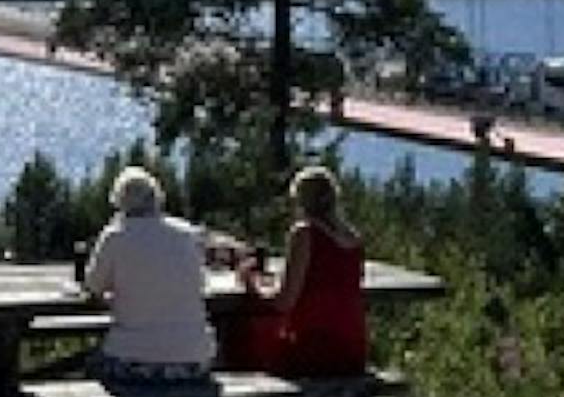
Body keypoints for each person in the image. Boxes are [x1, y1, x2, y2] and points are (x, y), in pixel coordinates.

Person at [79, 164, 237, 385]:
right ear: (158, 198)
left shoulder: (115, 236)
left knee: (90, 368)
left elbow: (93, 287)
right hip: (195, 360)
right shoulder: (186, 234)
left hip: (134, 358)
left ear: (119, 202)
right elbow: (200, 282)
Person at [217, 162, 370, 378]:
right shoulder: (353, 238)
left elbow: (284, 302)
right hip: (353, 349)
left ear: (301, 200)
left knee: (241, 334)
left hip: (317, 348)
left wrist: (251, 283)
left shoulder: (305, 233)